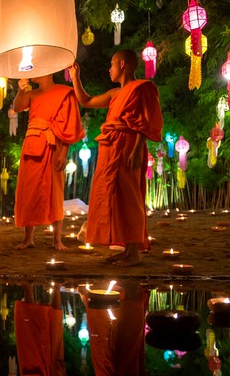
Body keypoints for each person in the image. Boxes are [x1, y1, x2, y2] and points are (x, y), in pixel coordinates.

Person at [69, 50, 163, 267]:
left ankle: (134, 252)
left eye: (111, 64)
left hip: (129, 145)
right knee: (111, 196)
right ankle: (125, 249)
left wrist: (137, 150)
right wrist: (75, 78)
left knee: (129, 196)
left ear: (123, 64)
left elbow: (146, 121)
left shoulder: (142, 88)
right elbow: (86, 101)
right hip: (110, 147)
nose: (109, 69)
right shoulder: (114, 94)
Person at [12, 74, 85, 250]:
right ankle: (28, 238)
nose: (33, 72)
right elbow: (17, 107)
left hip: (54, 146)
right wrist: (20, 91)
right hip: (32, 143)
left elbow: (68, 125)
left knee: (55, 191)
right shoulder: (31, 94)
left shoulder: (64, 93)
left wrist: (64, 152)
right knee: (29, 190)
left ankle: (57, 240)